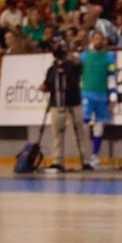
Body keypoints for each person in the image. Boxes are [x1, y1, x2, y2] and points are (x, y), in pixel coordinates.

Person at [38, 43, 85, 174]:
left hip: (73, 104)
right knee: (57, 135)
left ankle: (85, 160)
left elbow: (79, 66)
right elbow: (47, 85)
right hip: (57, 105)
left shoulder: (72, 65)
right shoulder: (51, 70)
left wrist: (72, 56)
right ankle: (57, 161)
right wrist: (43, 87)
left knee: (80, 133)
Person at [78, 30, 117, 170]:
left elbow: (112, 77)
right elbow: (78, 75)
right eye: (95, 38)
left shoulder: (110, 57)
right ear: (91, 40)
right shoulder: (84, 56)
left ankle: (94, 155)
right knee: (85, 124)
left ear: (104, 41)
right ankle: (84, 154)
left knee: (99, 126)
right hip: (86, 94)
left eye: (100, 38)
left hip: (102, 95)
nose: (98, 40)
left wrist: (113, 96)